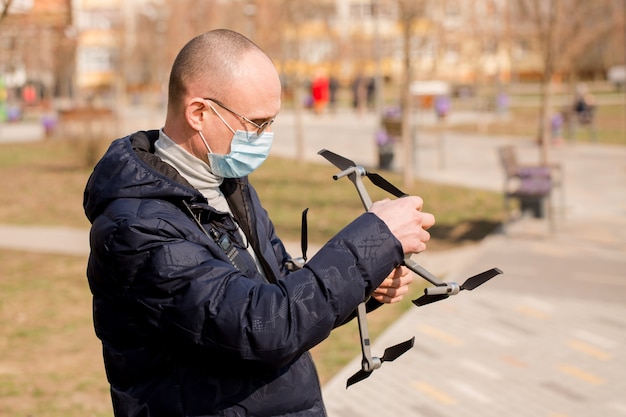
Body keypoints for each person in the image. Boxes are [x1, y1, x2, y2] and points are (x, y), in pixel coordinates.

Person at [83, 29, 435, 417]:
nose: (266, 136)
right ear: (198, 113)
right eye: (258, 122)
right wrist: (373, 239)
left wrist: (365, 283)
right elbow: (263, 326)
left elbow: (282, 290)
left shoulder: (227, 186)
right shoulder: (137, 229)